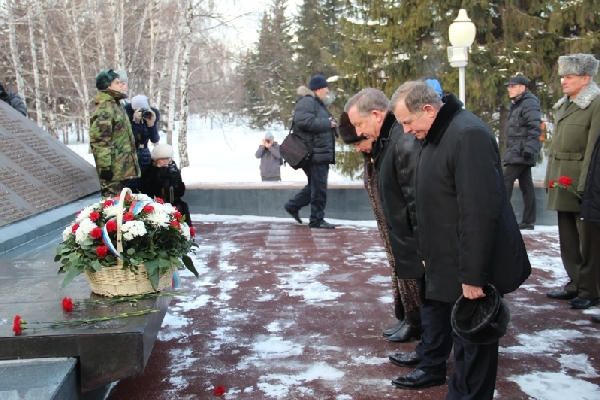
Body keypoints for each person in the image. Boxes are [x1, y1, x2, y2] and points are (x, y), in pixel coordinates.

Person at [389, 81, 530, 398]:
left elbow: (479, 212)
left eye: (407, 122)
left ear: (428, 110)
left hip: (471, 268)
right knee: (464, 348)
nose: (406, 130)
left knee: (474, 349)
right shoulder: (437, 134)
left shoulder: (468, 135)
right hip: (450, 259)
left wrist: (473, 276)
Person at [338, 106, 421, 343]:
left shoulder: (392, 145)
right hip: (391, 225)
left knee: (410, 272)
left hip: (402, 224)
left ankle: (416, 319)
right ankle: (406, 314)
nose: (358, 147)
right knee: (398, 269)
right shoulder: (374, 155)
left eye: (359, 141)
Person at [544, 54, 600, 310]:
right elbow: (556, 147)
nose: (563, 81)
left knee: (588, 240)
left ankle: (590, 290)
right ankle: (575, 284)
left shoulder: (595, 104)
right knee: (568, 238)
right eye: (563, 76)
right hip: (562, 181)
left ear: (585, 79)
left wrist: (586, 184)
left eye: (569, 77)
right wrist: (550, 178)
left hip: (580, 181)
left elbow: (593, 150)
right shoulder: (566, 104)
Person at [283, 75, 337, 228]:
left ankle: (293, 205)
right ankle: (316, 220)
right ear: (318, 89)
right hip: (314, 154)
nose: (328, 91)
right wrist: (327, 123)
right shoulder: (307, 101)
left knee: (315, 186)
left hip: (319, 152)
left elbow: (317, 122)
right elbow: (304, 122)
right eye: (325, 87)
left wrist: (332, 123)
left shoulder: (317, 103)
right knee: (319, 187)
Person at [89, 69, 140, 198]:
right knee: (113, 204)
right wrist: (105, 167)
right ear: (108, 86)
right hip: (113, 171)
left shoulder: (116, 105)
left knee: (121, 203)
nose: (121, 85)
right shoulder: (106, 108)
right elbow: (100, 140)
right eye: (117, 83)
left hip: (121, 169)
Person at [503, 75, 542, 230]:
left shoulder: (529, 103)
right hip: (518, 150)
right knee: (526, 186)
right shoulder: (518, 104)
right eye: (509, 86)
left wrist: (529, 149)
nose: (509, 89)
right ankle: (528, 221)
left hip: (520, 152)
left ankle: (502, 217)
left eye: (513, 86)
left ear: (522, 88)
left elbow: (535, 128)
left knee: (505, 181)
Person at [141, 143, 192, 225]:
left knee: (181, 208)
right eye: (162, 159)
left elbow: (180, 192)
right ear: (156, 160)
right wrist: (159, 177)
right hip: (156, 203)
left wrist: (175, 180)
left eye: (167, 158)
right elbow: (148, 189)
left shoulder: (173, 170)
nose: (165, 161)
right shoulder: (150, 171)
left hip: (173, 203)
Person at [125, 94, 160, 191]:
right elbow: (130, 139)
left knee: (145, 182)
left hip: (145, 153)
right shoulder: (127, 119)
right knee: (132, 184)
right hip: (131, 154)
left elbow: (155, 139)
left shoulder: (149, 117)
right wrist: (135, 123)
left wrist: (151, 125)